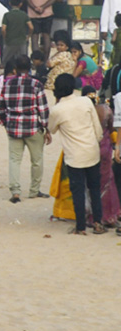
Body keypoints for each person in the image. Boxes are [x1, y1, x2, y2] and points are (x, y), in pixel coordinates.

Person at [46, 74, 105, 235]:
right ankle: (98, 222)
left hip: (74, 156)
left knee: (78, 191)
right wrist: (96, 141)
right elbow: (97, 128)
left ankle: (80, 227)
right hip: (92, 150)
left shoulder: (57, 110)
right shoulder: (85, 101)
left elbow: (51, 129)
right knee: (94, 189)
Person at [0, 55, 51, 204]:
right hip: (33, 126)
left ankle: (15, 192)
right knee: (37, 160)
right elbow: (43, 109)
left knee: (14, 160)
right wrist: (46, 128)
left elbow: (0, 107)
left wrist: (5, 122)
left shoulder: (8, 84)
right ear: (30, 67)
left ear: (15, 68)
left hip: (13, 126)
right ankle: (34, 191)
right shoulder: (36, 84)